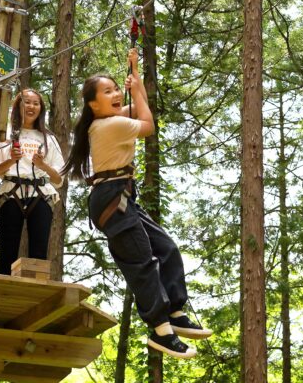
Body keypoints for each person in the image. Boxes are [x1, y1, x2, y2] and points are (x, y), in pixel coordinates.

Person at [62, 48, 212, 359]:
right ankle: (161, 331)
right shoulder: (109, 125)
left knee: (166, 248)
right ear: (93, 105)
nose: (116, 93)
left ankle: (174, 312)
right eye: (108, 91)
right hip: (112, 199)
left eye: (116, 88)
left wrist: (136, 77)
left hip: (122, 196)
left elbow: (139, 107)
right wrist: (137, 88)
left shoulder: (112, 118)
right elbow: (147, 124)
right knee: (143, 262)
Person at [0, 89, 65, 275]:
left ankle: (36, 296)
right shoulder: (5, 135)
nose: (31, 106)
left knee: (39, 255)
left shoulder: (48, 139)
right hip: (10, 193)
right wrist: (11, 160)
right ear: (18, 105)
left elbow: (59, 179)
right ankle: (3, 296)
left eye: (36, 103)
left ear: (41, 108)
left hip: (40, 195)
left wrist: (42, 165)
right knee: (7, 252)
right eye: (27, 102)